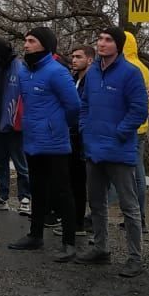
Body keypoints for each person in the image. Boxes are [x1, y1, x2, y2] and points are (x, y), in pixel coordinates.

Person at [76, 28, 149, 277]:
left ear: (118, 46)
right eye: (99, 39)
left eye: (108, 40)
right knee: (96, 202)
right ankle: (101, 248)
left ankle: (135, 257)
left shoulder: (131, 73)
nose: (102, 43)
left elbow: (139, 110)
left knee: (129, 206)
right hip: (94, 148)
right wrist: (85, 129)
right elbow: (84, 104)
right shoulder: (94, 72)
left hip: (119, 149)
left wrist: (119, 133)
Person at [7, 27, 82, 261]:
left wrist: (58, 126)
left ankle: (69, 243)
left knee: (62, 192)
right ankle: (35, 235)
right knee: (37, 189)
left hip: (55, 142)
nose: (26, 45)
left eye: (31, 41)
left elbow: (74, 106)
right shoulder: (25, 72)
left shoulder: (57, 72)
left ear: (45, 45)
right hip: (32, 140)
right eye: (25, 40)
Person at [0, 38, 30, 212]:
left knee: (21, 163)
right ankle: (2, 196)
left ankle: (25, 197)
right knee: (0, 162)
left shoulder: (19, 68)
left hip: (15, 125)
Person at [121, 32, 149, 232]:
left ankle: (137, 216)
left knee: (134, 174)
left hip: (131, 128)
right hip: (139, 126)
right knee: (136, 173)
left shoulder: (129, 68)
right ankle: (137, 215)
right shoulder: (142, 67)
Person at [69, 45, 95, 230]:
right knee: (72, 179)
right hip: (71, 134)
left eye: (79, 57)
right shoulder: (73, 80)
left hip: (84, 136)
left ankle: (80, 222)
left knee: (82, 181)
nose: (74, 60)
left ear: (90, 60)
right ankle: (73, 218)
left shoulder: (91, 82)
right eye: (73, 56)